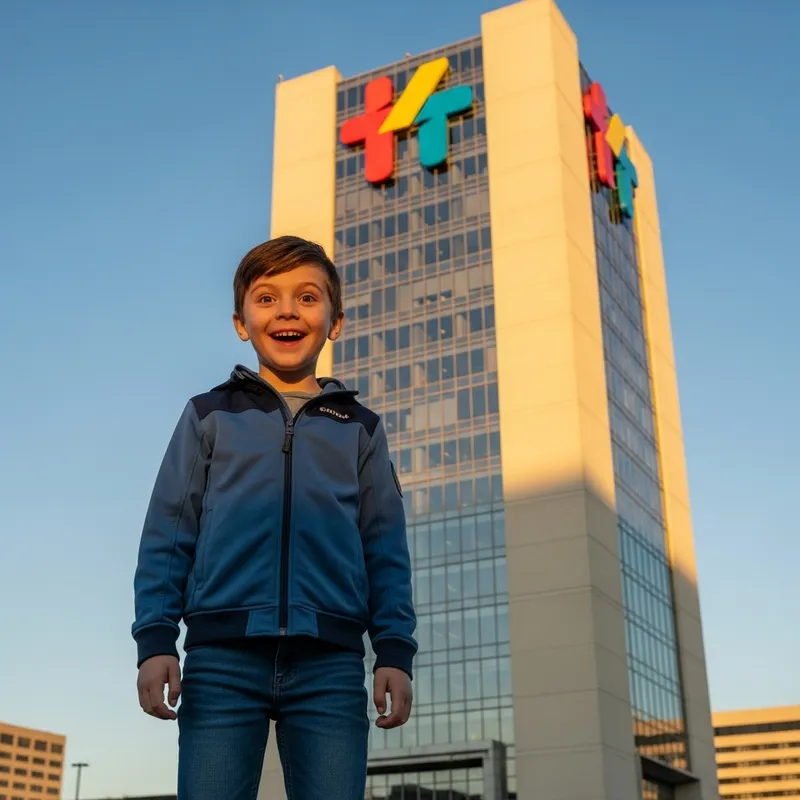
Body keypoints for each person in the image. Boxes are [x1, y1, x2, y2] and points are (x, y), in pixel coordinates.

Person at [132, 235, 417, 800]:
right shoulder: (209, 415)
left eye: (307, 297)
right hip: (220, 659)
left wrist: (395, 650)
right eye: (267, 298)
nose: (287, 310)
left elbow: (384, 545)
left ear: (335, 321)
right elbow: (169, 529)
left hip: (330, 665)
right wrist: (156, 639)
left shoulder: (359, 428)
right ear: (241, 321)